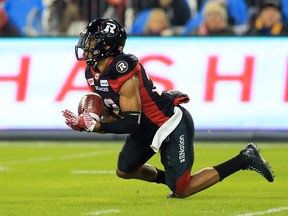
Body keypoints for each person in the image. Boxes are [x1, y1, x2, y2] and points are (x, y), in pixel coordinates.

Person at [62, 18, 274, 198]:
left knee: (183, 190)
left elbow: (130, 122)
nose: (86, 45)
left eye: (91, 41)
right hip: (145, 126)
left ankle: (245, 157)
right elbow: (114, 111)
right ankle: (172, 181)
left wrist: (97, 126)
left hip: (167, 124)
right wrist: (87, 122)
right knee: (125, 170)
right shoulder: (91, 72)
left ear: (106, 46)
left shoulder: (121, 68)